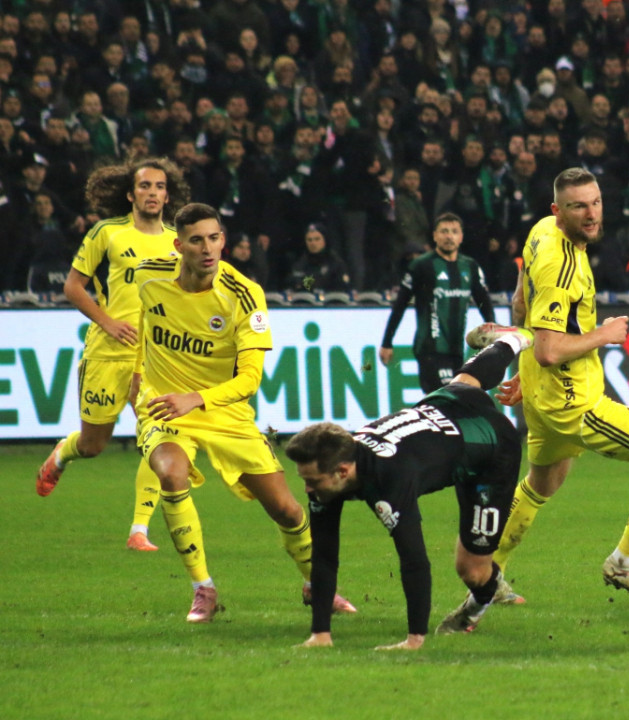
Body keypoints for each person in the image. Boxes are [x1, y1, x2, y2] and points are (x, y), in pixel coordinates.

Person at [458, 168, 629, 618]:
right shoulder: (562, 265)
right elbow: (551, 350)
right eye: (578, 206)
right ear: (558, 210)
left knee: (542, 482)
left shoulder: (541, 232)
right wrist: (603, 334)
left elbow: (519, 305)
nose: (591, 214)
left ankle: (488, 575)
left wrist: (526, 374)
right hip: (578, 405)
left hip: (543, 394)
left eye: (596, 202)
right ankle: (628, 560)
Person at [132, 203, 356, 623]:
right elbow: (125, 324)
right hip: (164, 409)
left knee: (288, 510)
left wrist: (197, 397)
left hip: (225, 412)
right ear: (178, 244)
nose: (207, 248)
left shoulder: (244, 293)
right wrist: (134, 376)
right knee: (170, 474)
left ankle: (317, 585)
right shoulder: (146, 275)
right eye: (196, 240)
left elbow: (250, 380)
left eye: (214, 238)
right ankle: (204, 589)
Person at [287, 332, 531, 647]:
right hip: (445, 408)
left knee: (472, 570)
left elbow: (414, 559)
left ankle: (479, 603)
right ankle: (510, 342)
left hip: (492, 450)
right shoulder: (337, 463)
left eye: (312, 482)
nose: (307, 490)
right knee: (466, 380)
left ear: (342, 471)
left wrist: (414, 639)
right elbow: (324, 554)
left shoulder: (390, 476)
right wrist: (320, 634)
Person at [36, 158, 188, 553]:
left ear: (167, 195)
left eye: (159, 187)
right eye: (145, 186)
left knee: (160, 439)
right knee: (93, 446)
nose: (152, 193)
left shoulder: (178, 240)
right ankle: (62, 453)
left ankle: (139, 529)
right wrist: (107, 322)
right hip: (107, 352)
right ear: (130, 193)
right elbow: (73, 287)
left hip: (153, 358)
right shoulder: (108, 233)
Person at [378, 212, 496, 394]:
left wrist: (494, 334)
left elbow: (484, 302)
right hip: (429, 349)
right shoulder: (421, 266)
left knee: (455, 401)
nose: (449, 236)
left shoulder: (470, 266)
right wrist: (387, 342)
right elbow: (400, 305)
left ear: (461, 237)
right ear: (434, 236)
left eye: (454, 232)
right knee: (447, 397)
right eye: (444, 231)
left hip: (457, 349)